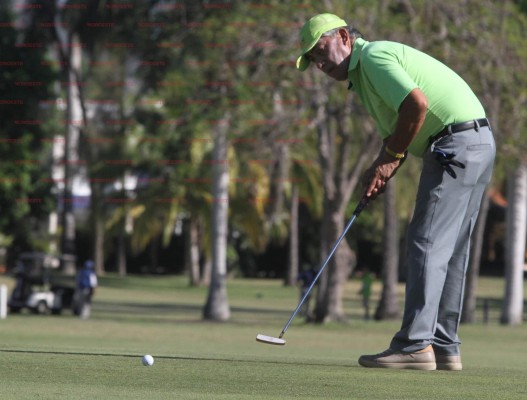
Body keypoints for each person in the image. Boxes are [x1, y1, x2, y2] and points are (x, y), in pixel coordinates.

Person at [296, 13, 495, 371]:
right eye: (312, 59)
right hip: (474, 142)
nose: (319, 63)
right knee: (449, 251)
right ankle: (443, 346)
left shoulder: (373, 57)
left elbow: (415, 105)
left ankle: (415, 345)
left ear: (343, 36)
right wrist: (380, 167)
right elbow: (399, 133)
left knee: (427, 241)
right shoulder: (363, 76)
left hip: (453, 143)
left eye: (320, 50)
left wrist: (389, 160)